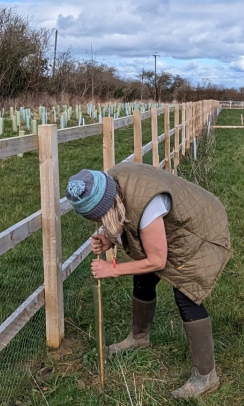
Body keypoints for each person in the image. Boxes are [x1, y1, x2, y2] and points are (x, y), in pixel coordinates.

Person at [64, 162, 231, 399]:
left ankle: (206, 376)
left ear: (108, 201)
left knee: (186, 292)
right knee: (143, 278)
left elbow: (157, 261)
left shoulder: (148, 204)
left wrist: (112, 270)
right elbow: (125, 219)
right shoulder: (107, 185)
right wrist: (109, 239)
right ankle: (139, 338)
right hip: (171, 225)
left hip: (200, 229)